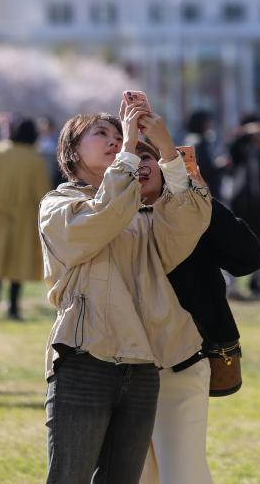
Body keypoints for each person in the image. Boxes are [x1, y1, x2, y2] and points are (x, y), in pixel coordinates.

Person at [40, 105, 211, 484]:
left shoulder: (140, 211)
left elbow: (188, 223)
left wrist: (167, 151)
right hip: (84, 360)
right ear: (71, 151)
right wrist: (130, 151)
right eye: (101, 134)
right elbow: (100, 219)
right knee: (69, 476)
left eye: (119, 135)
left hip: (141, 365)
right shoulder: (58, 205)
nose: (115, 140)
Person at [136, 139, 260, 484]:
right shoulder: (110, 217)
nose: (138, 165)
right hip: (122, 361)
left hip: (184, 358)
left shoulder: (188, 211)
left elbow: (247, 259)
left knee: (182, 470)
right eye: (127, 158)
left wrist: (200, 195)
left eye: (146, 155)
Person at [0, 117, 51, 320]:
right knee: (18, 262)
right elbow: (43, 193)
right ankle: (13, 309)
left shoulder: (2, 151)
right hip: (25, 216)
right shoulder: (35, 159)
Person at [227, 116, 260, 297]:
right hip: (241, 206)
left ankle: (257, 285)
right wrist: (245, 133)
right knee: (235, 245)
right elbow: (232, 150)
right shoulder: (240, 151)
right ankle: (232, 286)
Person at [184, 110, 223, 199]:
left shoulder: (189, 140)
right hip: (207, 190)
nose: (209, 124)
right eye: (207, 121)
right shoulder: (200, 142)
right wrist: (221, 165)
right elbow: (205, 168)